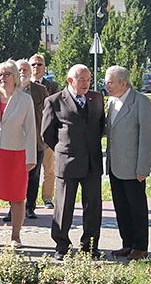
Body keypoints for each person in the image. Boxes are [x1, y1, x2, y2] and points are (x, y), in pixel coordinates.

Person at [42, 64, 106, 259]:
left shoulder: (96, 98)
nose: (86, 83)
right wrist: (64, 149)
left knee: (93, 207)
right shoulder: (54, 101)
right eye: (81, 80)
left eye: (88, 80)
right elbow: (47, 134)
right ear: (70, 81)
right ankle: (62, 246)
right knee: (64, 207)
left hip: (92, 162)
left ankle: (90, 246)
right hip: (67, 162)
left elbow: (101, 125)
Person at [104, 65, 151, 261]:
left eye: (110, 82)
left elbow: (148, 137)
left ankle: (140, 246)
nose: (106, 85)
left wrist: (143, 167)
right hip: (114, 166)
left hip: (134, 167)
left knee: (136, 207)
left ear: (123, 83)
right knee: (121, 207)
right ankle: (127, 243)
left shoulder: (140, 102)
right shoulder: (112, 101)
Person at [0, 61, 36, 250]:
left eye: (7, 74)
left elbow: (31, 130)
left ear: (15, 78)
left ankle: (16, 236)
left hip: (17, 154)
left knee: (17, 197)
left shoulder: (25, 100)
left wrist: (31, 158)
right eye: (0, 74)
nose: (3, 78)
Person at [3, 59, 49, 222]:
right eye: (19, 69)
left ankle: (30, 206)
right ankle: (12, 209)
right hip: (12, 142)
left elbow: (48, 114)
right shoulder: (8, 91)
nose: (22, 72)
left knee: (33, 176)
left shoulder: (40, 90)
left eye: (25, 69)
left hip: (35, 140)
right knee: (13, 176)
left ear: (30, 73)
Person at [30, 53, 59, 209]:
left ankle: (47, 198)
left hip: (46, 135)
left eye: (39, 64)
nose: (36, 67)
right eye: (33, 64)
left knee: (49, 169)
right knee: (31, 172)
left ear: (44, 67)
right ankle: (30, 201)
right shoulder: (23, 86)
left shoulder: (52, 86)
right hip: (29, 136)